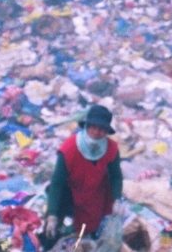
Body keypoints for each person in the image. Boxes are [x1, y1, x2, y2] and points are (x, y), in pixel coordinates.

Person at [43, 105, 123, 245]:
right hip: (70, 192)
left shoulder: (111, 148)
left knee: (90, 232)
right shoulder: (69, 148)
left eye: (102, 129)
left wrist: (116, 199)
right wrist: (52, 215)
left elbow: (116, 176)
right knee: (52, 232)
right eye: (94, 127)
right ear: (87, 126)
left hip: (94, 193)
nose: (97, 132)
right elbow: (57, 183)